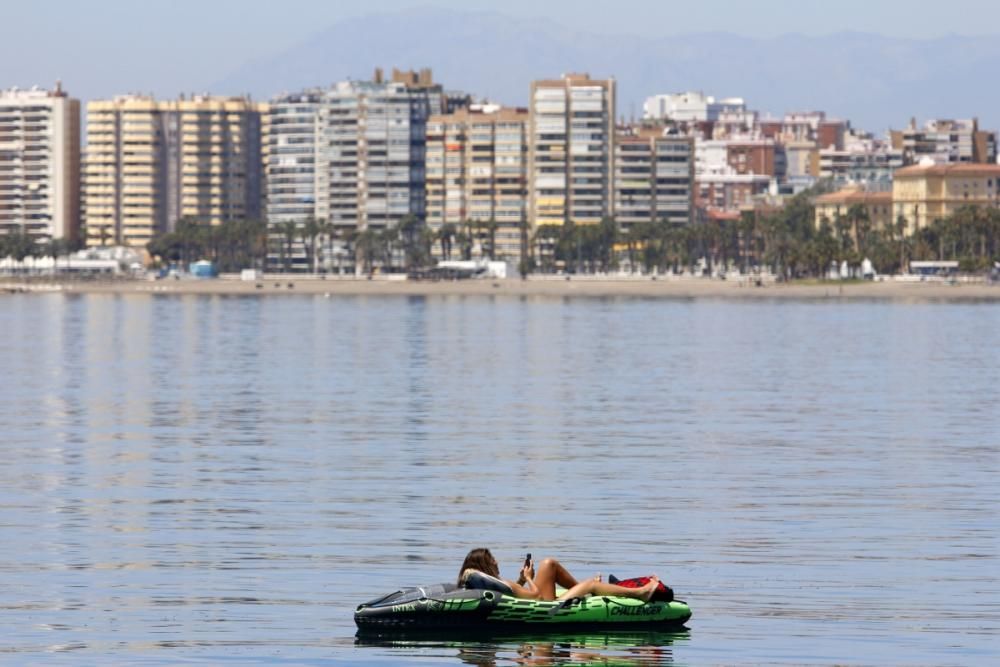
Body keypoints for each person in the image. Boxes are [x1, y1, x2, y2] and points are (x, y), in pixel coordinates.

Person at [457, 548, 660, 602]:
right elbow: (534, 596)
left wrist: (521, 579)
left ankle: (582, 588)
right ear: (484, 565)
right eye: (491, 558)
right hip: (545, 605)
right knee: (590, 585)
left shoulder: (492, 583)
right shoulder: (496, 582)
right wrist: (528, 578)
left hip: (542, 600)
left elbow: (515, 592)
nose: (496, 561)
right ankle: (640, 593)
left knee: (549, 565)